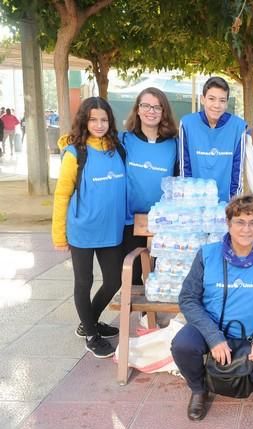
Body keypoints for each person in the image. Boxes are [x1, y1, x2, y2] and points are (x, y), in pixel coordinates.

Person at [171, 194, 253, 421]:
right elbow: (188, 298)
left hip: (251, 335)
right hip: (210, 328)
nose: (247, 229)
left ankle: (233, 381)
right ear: (228, 223)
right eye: (240, 222)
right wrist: (214, 337)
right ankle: (199, 389)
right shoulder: (207, 254)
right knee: (183, 346)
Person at [51, 97, 126, 358]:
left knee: (114, 280)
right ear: (84, 121)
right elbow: (62, 195)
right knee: (84, 282)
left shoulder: (118, 149)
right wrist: (59, 235)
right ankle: (92, 335)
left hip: (111, 231)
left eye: (104, 119)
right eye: (93, 119)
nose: (99, 124)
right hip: (82, 231)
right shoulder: (75, 152)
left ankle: (89, 323)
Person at [121, 87, 178, 285]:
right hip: (131, 221)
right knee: (135, 276)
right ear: (137, 109)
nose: (151, 111)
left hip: (165, 222)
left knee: (164, 274)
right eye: (146, 105)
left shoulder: (175, 144)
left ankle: (152, 315)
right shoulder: (124, 141)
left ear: (164, 112)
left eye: (157, 107)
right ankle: (143, 316)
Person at [179, 76, 247, 203]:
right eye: (211, 99)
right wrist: (187, 201)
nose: (217, 105)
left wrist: (234, 205)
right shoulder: (187, 124)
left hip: (225, 205)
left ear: (227, 103)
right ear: (203, 99)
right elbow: (185, 168)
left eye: (222, 100)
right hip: (194, 204)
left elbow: (238, 171)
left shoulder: (238, 127)